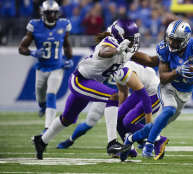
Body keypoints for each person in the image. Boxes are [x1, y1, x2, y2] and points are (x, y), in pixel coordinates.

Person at [32, 18, 156, 160]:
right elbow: (105, 51)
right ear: (120, 37)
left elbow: (145, 59)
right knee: (112, 96)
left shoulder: (125, 49)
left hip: (90, 83)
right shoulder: (109, 43)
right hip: (81, 81)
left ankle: (41, 141)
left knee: (67, 118)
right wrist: (117, 50)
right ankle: (112, 143)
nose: (134, 41)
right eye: (130, 38)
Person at [120, 19, 193, 161]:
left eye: (176, 40)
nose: (171, 43)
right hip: (168, 87)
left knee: (155, 125)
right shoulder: (164, 49)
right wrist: (177, 72)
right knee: (169, 109)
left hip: (185, 93)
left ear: (186, 40)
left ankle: (130, 139)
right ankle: (149, 146)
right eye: (170, 39)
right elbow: (163, 78)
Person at [56, 61, 167, 159]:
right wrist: (119, 112)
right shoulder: (116, 71)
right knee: (117, 117)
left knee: (128, 121)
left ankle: (158, 139)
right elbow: (123, 92)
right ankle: (128, 148)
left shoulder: (123, 71)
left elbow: (144, 96)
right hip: (141, 91)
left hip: (153, 93)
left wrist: (148, 122)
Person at [18, 0, 73, 132]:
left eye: (54, 12)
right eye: (49, 13)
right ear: (43, 13)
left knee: (51, 94)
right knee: (40, 96)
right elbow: (22, 48)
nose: (52, 15)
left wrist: (68, 58)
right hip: (41, 67)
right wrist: (32, 52)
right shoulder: (34, 26)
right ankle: (42, 106)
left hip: (57, 66)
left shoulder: (63, 25)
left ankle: (47, 127)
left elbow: (66, 44)